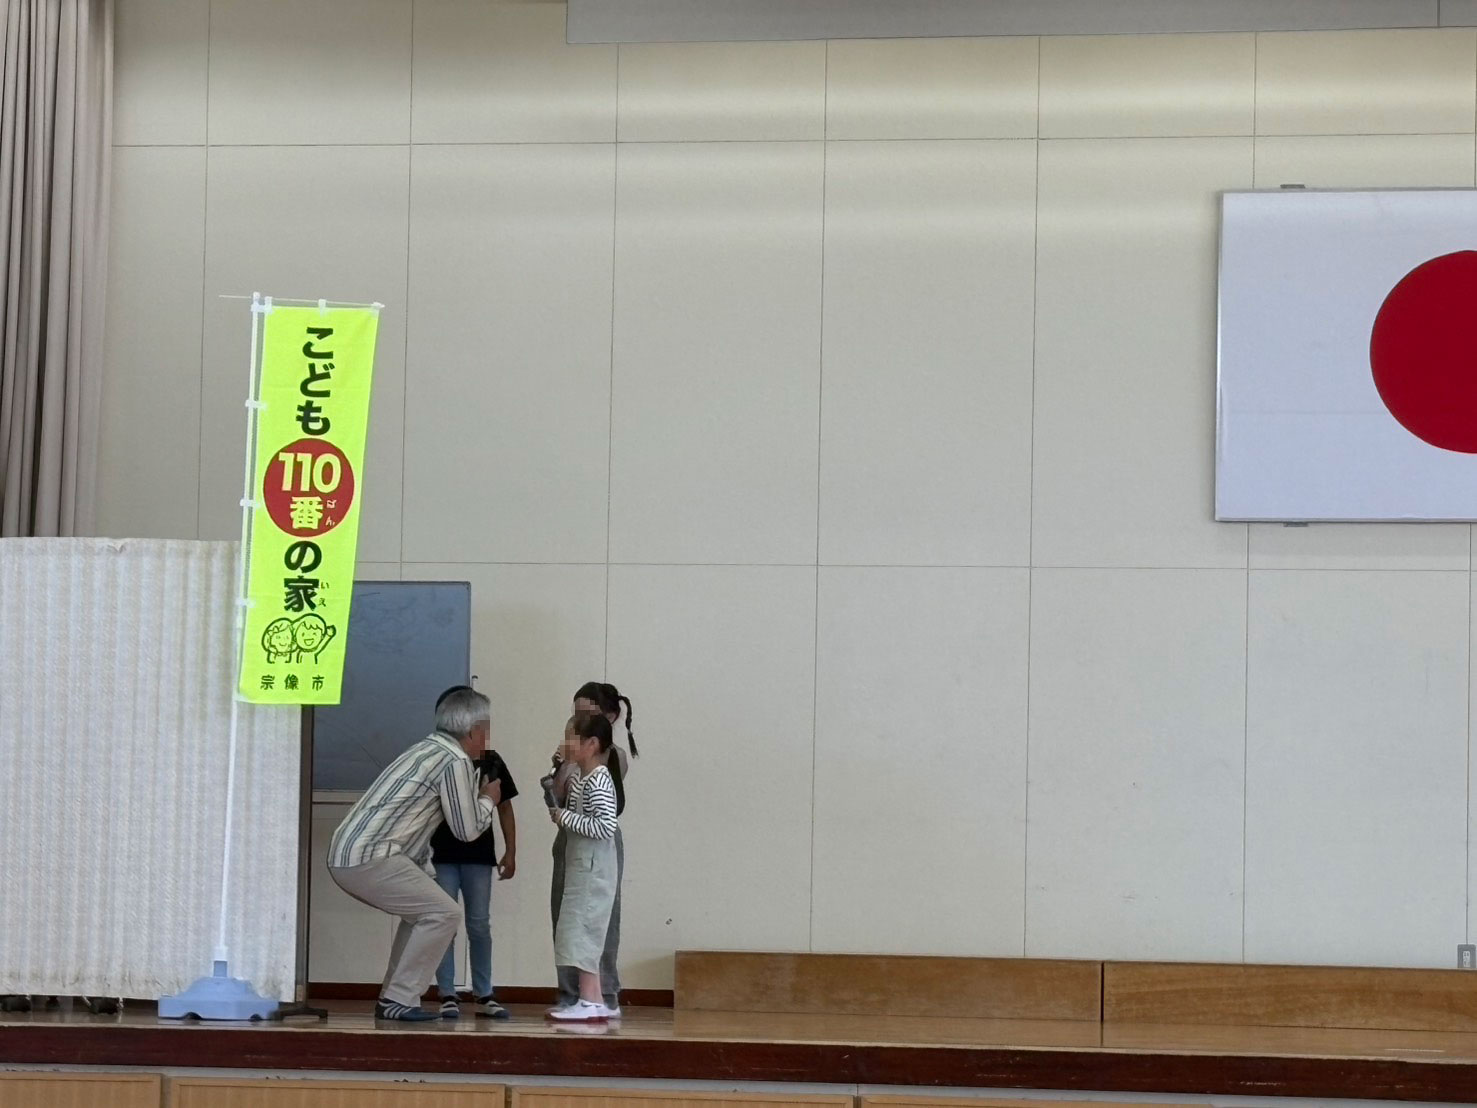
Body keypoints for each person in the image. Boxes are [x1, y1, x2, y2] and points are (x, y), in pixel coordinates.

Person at [327, 687, 501, 1022]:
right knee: (445, 913)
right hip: (371, 856)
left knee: (422, 913)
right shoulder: (454, 761)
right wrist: (488, 799)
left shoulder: (425, 749)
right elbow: (466, 830)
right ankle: (400, 998)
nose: (488, 738)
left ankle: (392, 997)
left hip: (349, 852)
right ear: (473, 731)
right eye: (487, 729)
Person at [428, 685, 519, 1020]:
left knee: (479, 924)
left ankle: (484, 992)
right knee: (445, 923)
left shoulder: (491, 761)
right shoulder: (440, 759)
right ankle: (447, 992)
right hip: (442, 854)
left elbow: (505, 807)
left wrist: (511, 851)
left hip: (479, 855)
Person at [550, 681, 637, 1014]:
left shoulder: (605, 766)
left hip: (594, 851)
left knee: (593, 922)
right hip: (573, 846)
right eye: (575, 716)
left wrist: (566, 816)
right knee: (569, 920)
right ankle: (578, 995)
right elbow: (561, 795)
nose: (576, 723)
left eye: (586, 716)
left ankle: (598, 996)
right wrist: (562, 768)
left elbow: (603, 821)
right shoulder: (578, 766)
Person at [547, 713, 620, 1022]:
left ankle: (589, 1000)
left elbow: (605, 826)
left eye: (572, 738)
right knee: (575, 927)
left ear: (592, 744)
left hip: (593, 869)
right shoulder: (579, 776)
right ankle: (595, 998)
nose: (566, 743)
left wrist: (565, 818)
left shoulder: (599, 779)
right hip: (581, 865)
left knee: (584, 930)